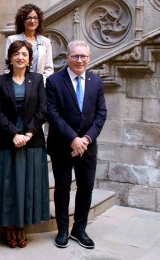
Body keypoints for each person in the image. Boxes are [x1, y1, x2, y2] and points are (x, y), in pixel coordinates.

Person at [0, 40, 49, 248]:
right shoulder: (1, 81)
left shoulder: (37, 80)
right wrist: (14, 134)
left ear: (30, 59)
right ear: (10, 58)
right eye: (16, 54)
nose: (20, 57)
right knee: (9, 185)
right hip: (7, 140)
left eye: (24, 54)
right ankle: (9, 226)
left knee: (27, 186)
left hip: (32, 140)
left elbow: (43, 110)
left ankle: (22, 226)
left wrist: (28, 133)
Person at [46, 40, 107, 249]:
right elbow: (53, 114)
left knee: (86, 188)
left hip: (88, 146)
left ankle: (79, 229)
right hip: (62, 145)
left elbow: (101, 113)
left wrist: (86, 139)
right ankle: (62, 230)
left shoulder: (96, 81)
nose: (79, 60)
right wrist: (73, 139)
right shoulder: (54, 81)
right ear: (67, 57)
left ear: (89, 58)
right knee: (62, 188)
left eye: (83, 56)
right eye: (75, 56)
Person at [5, 4, 53, 81]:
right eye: (29, 18)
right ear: (22, 21)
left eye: (35, 18)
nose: (32, 21)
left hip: (40, 86)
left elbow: (49, 69)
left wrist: (39, 83)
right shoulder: (12, 39)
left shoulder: (46, 42)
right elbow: (7, 66)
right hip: (18, 84)